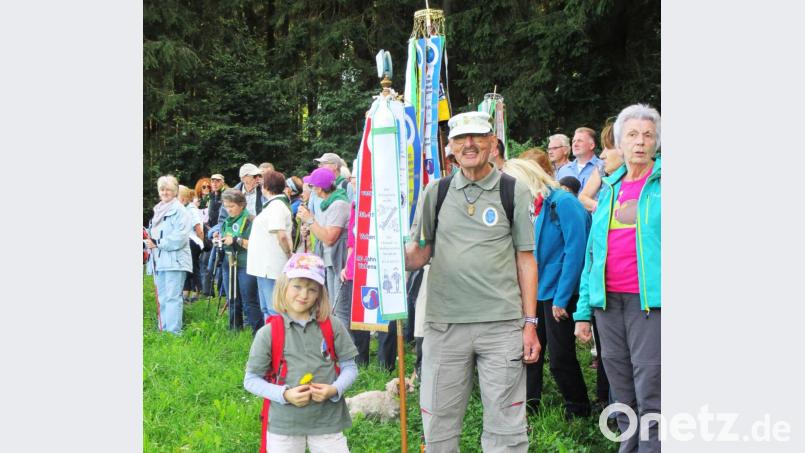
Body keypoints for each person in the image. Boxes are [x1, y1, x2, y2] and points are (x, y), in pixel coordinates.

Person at [405, 111, 540, 452]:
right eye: (461, 139)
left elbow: (526, 260)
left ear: (493, 142)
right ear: (449, 148)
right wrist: (379, 256)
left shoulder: (514, 190)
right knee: (437, 421)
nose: (470, 144)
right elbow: (419, 254)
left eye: (478, 136)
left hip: (502, 326)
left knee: (506, 428)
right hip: (444, 325)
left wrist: (529, 323)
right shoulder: (435, 192)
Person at [574, 103, 662, 453]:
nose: (640, 142)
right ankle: (629, 446)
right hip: (608, 305)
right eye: (632, 135)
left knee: (651, 386)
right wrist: (583, 312)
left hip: (650, 305)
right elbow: (592, 256)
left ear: (657, 143)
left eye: (648, 135)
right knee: (621, 388)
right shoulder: (608, 188)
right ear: (619, 144)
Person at [502, 158, 592, 419]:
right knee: (530, 351)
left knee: (561, 355)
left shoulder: (564, 203)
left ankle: (578, 409)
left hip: (560, 292)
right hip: (537, 290)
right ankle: (529, 404)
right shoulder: (535, 204)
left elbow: (576, 252)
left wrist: (562, 298)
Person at [244, 253, 359, 453]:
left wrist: (334, 389)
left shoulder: (332, 325)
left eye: (312, 289)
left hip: (327, 422)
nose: (304, 295)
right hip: (284, 425)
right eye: (297, 286)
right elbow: (251, 379)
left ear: (320, 294)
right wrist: (284, 394)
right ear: (283, 286)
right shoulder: (269, 333)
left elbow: (350, 367)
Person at [297, 168, 350, 311]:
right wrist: (308, 227)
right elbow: (320, 230)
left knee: (340, 308)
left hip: (338, 261)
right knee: (333, 306)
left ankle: (344, 334)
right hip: (329, 260)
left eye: (312, 186)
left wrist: (309, 220)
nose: (311, 189)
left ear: (320, 188)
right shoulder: (326, 203)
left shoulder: (338, 204)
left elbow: (329, 238)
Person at [144, 175, 192, 334]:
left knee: (172, 298)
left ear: (175, 191)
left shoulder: (180, 211)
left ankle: (174, 333)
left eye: (168, 190)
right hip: (159, 261)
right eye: (162, 189)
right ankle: (163, 330)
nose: (165, 192)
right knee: (162, 297)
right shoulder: (158, 209)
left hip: (175, 261)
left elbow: (180, 237)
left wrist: (158, 243)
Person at [334, 161, 370, 366]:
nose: (352, 183)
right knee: (356, 316)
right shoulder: (355, 204)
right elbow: (352, 241)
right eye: (352, 180)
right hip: (355, 267)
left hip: (372, 267)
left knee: (372, 314)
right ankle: (360, 358)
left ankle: (384, 362)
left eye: (355, 179)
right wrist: (347, 265)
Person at [247, 170, 294, 321]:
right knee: (266, 307)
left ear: (266, 187)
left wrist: (288, 254)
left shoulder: (277, 206)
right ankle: (270, 340)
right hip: (263, 266)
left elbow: (281, 235)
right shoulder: (273, 205)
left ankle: (279, 341)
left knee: (274, 308)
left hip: (271, 265)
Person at [220, 189, 262, 333]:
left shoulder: (251, 220)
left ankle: (258, 331)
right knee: (232, 298)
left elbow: (256, 244)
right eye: (226, 206)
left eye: (231, 206)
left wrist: (236, 240)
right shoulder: (227, 221)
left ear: (241, 204)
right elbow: (225, 236)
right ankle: (234, 330)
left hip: (246, 264)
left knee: (249, 300)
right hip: (229, 262)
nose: (228, 209)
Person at [579, 122, 624, 212]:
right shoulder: (602, 167)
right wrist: (604, 209)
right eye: (604, 148)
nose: (601, 155)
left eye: (609, 148)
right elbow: (582, 198)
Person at [178, 185, 205, 303]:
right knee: (186, 267)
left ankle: (196, 291)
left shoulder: (191, 209)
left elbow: (198, 228)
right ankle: (186, 291)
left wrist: (201, 244)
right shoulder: (183, 208)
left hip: (193, 241)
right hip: (186, 241)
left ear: (183, 198)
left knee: (193, 267)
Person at [560, 127, 602, 192]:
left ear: (592, 145)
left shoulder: (603, 167)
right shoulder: (563, 170)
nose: (575, 144)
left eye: (580, 141)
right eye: (573, 141)